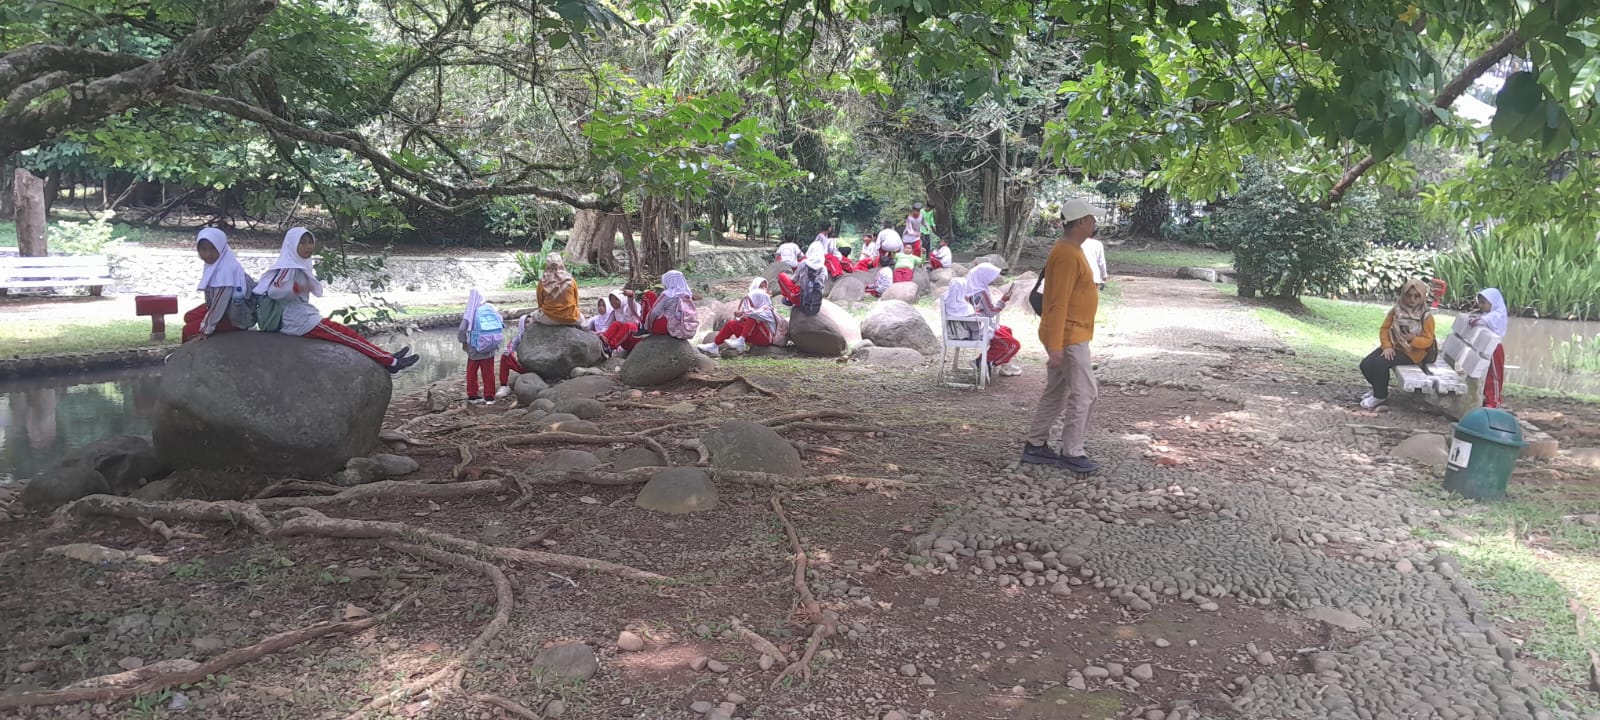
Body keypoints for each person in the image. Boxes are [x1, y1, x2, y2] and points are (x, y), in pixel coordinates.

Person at [257, 227, 419, 372]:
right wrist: (299, 288)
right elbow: (274, 292)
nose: (308, 247)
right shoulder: (289, 266)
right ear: (292, 245)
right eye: (302, 243)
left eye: (310, 242)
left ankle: (387, 357)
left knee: (350, 336)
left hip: (303, 317)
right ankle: (391, 362)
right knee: (348, 336)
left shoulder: (299, 264)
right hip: (300, 321)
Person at [1022, 200, 1103, 473]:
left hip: (1069, 333)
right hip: (1069, 336)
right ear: (1081, 222)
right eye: (1091, 218)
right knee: (1085, 393)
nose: (1094, 223)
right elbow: (1057, 303)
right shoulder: (1068, 253)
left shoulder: (1070, 249)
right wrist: (1056, 346)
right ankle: (1072, 451)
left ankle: (1035, 444)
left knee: (1056, 391)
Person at [1358, 279, 1438, 410]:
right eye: (1409, 295)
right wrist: (1387, 346)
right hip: (1394, 345)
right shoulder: (1396, 311)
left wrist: (1413, 339)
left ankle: (1380, 395)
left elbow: (1428, 340)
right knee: (1366, 364)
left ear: (1422, 297)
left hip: (1413, 353)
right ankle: (1378, 388)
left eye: (1416, 296)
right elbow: (1385, 329)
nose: (1412, 299)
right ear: (1403, 295)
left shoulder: (1426, 316)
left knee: (1380, 363)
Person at [944, 263, 1022, 376]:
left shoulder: (960, 294)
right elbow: (990, 312)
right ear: (984, 276)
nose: (992, 279)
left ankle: (1001, 362)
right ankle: (985, 362)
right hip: (979, 328)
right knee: (1013, 344)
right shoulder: (979, 292)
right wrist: (1003, 301)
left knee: (1007, 330)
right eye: (990, 276)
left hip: (972, 327)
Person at [181, 228, 253, 342]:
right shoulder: (216, 263)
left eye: (213, 249)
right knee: (189, 316)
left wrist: (205, 330)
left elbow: (219, 305)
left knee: (188, 330)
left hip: (234, 317)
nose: (208, 254)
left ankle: (187, 352)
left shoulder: (226, 271)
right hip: (224, 309)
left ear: (221, 248)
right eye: (203, 249)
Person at [701, 278, 782, 354]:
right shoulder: (750, 307)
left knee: (752, 317)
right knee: (731, 324)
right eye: (760, 287)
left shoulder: (768, 309)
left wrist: (743, 313)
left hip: (765, 338)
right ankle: (714, 345)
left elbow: (754, 314)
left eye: (764, 287)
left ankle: (740, 341)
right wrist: (740, 315)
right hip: (752, 335)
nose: (763, 289)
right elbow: (744, 319)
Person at [458, 289, 504, 405]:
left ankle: (473, 395)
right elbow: (500, 322)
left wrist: (463, 342)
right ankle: (490, 397)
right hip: (490, 345)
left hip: (475, 347)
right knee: (489, 372)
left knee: (472, 371)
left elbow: (462, 329)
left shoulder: (471, 311)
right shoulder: (491, 308)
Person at [1468, 288, 1509, 408]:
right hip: (1489, 346)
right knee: (1489, 375)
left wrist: (1473, 320)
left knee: (1495, 376)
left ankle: (1494, 401)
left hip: (1495, 348)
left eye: (1483, 303)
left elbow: (1480, 322)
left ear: (1493, 302)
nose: (1480, 305)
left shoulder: (1497, 314)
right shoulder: (1489, 314)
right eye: (1480, 302)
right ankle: (1489, 397)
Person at [639, 270, 699, 339]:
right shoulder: (687, 294)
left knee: (649, 295)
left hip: (665, 327)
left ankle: (642, 328)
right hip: (683, 327)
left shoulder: (668, 294)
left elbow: (654, 312)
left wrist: (648, 326)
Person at [534, 254, 581, 325]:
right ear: (561, 264)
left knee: (530, 317)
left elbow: (540, 304)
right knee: (584, 323)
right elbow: (576, 302)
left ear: (547, 265)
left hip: (548, 318)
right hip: (570, 318)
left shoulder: (542, 282)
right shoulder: (571, 280)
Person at [497, 313, 530, 399]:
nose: (529, 324)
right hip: (522, 365)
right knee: (505, 357)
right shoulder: (518, 337)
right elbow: (510, 348)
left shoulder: (538, 335)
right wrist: (515, 356)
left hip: (535, 365)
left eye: (530, 322)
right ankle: (503, 385)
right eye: (527, 322)